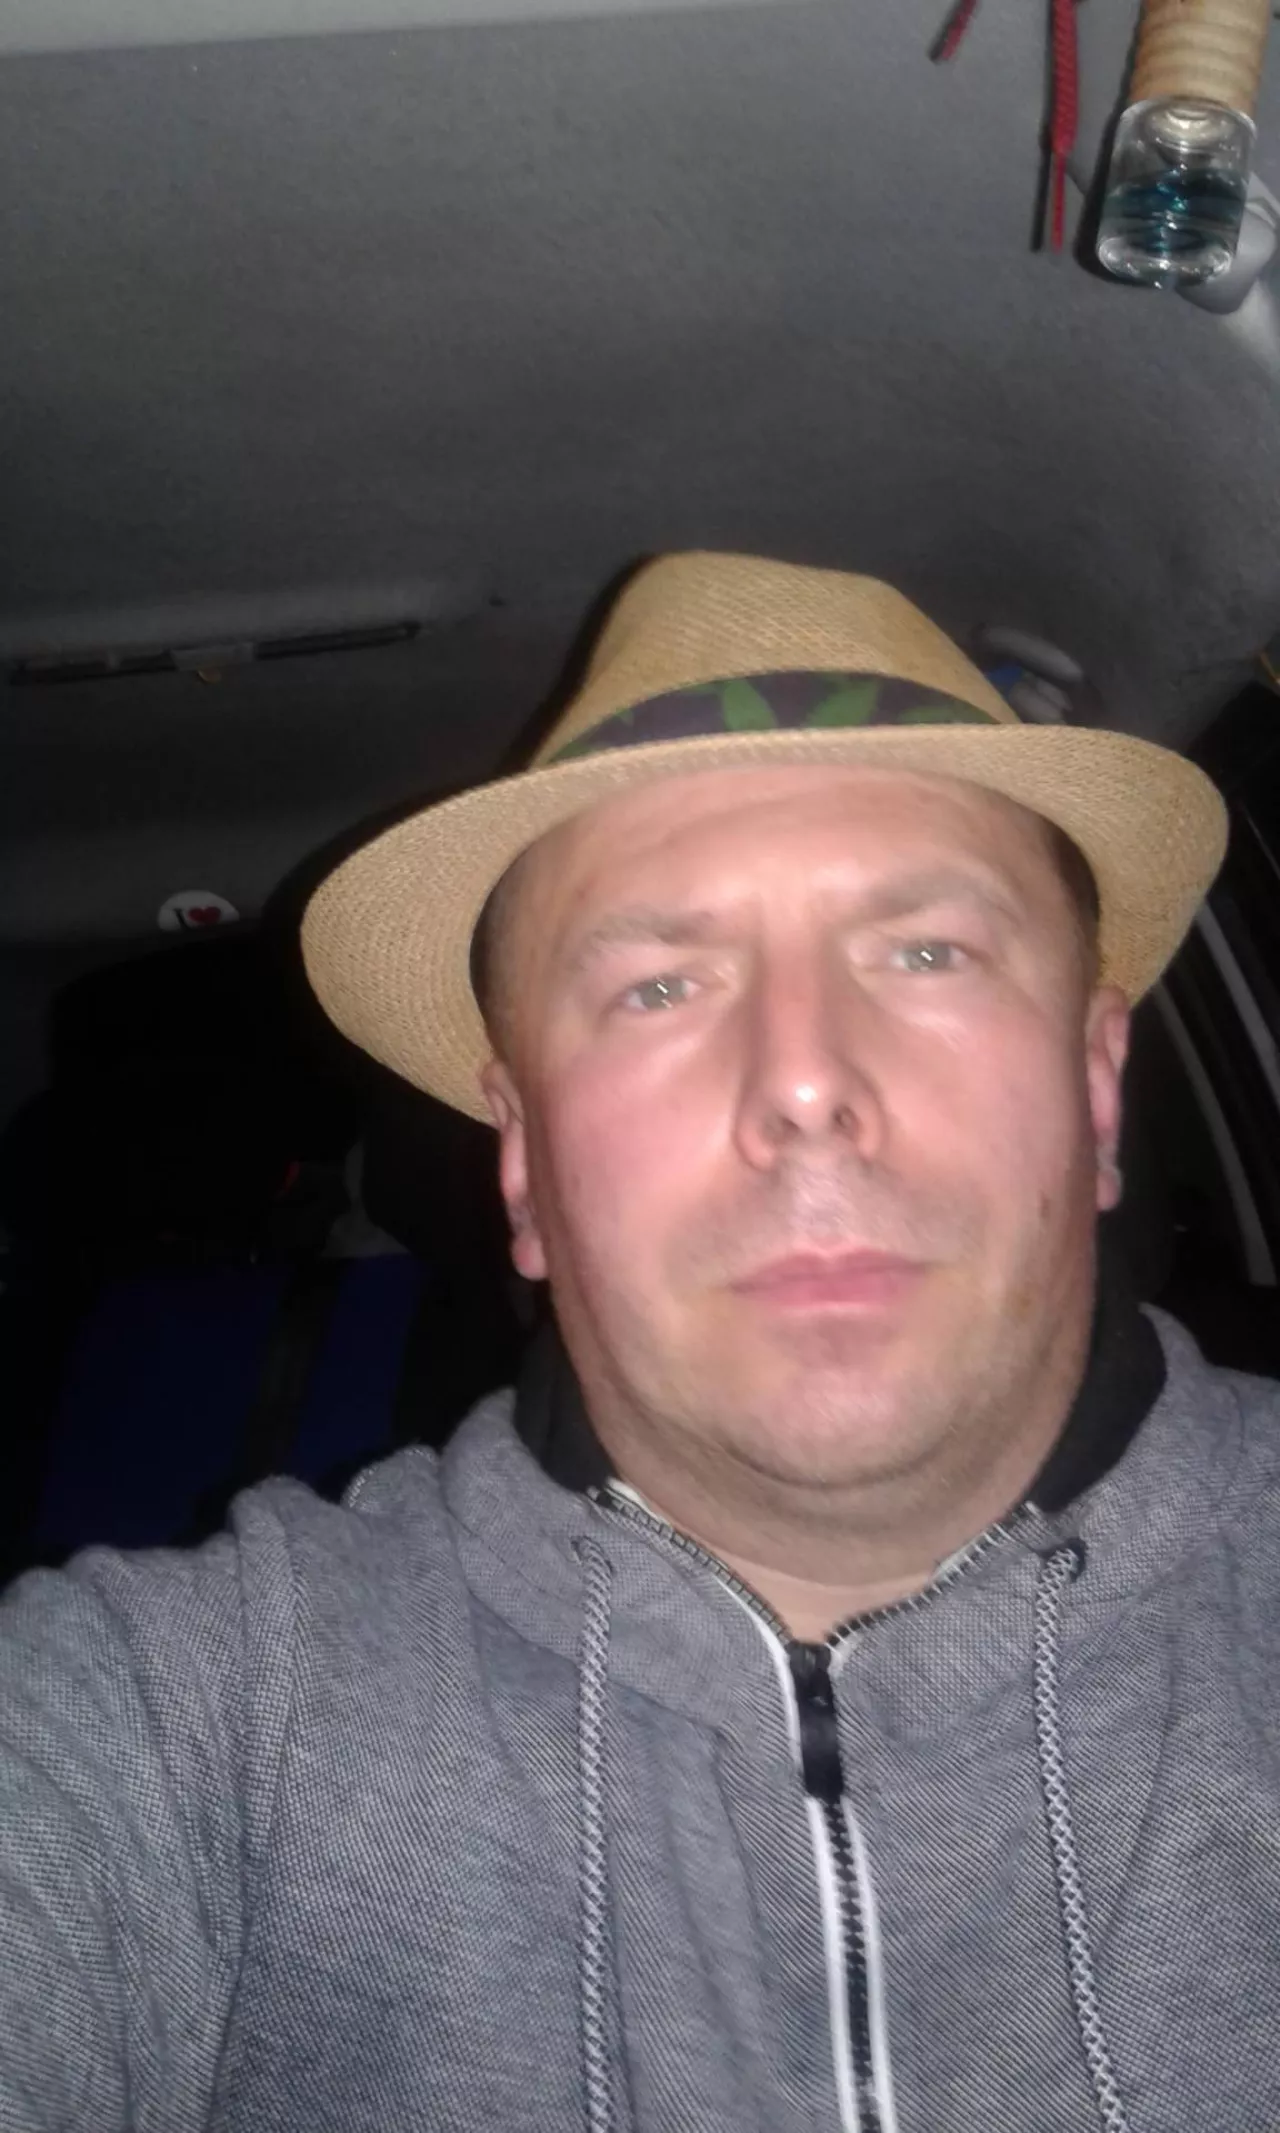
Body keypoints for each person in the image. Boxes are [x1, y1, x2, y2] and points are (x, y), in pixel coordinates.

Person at [1, 549, 1275, 2133]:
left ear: (1095, 1089)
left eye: (926, 952)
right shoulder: (179, 1721)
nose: (803, 1081)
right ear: (523, 1169)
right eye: (660, 985)